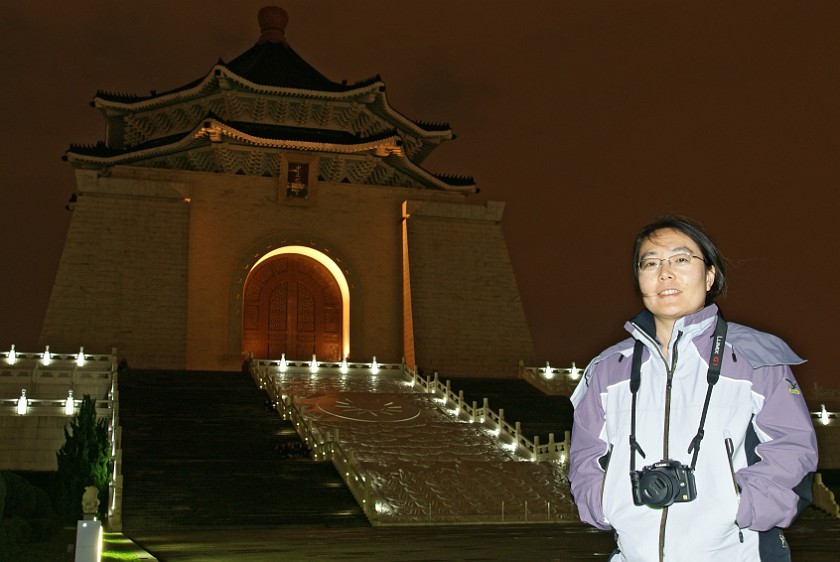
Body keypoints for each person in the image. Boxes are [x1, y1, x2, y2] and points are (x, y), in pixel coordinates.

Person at [569, 216, 818, 562]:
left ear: (710, 275)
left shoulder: (756, 356)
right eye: (651, 263)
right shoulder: (607, 369)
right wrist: (604, 506)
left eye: (682, 260)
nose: (665, 273)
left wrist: (741, 507)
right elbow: (585, 458)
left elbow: (793, 449)